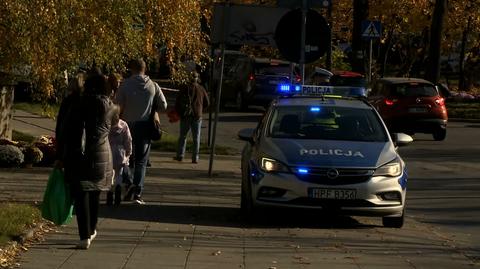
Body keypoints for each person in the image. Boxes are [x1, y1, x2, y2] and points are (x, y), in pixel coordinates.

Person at [115, 58, 167, 204]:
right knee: (141, 161)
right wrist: (152, 109)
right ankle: (137, 191)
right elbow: (163, 105)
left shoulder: (125, 85)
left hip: (127, 125)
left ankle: (129, 181)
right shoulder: (153, 86)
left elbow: (117, 105)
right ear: (145, 69)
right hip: (145, 126)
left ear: (132, 69)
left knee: (124, 157)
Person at [174, 72, 209, 163]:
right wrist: (200, 108)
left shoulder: (184, 88)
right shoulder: (201, 89)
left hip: (186, 115)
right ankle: (195, 158)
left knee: (183, 136)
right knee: (196, 137)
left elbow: (177, 102)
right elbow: (207, 102)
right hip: (197, 115)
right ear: (197, 78)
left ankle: (180, 155)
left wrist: (179, 112)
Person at [106, 106, 132, 206]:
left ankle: (110, 191)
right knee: (119, 174)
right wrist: (128, 152)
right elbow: (128, 140)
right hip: (120, 152)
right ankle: (118, 187)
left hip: (109, 151)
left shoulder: (107, 125)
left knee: (110, 174)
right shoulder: (124, 125)